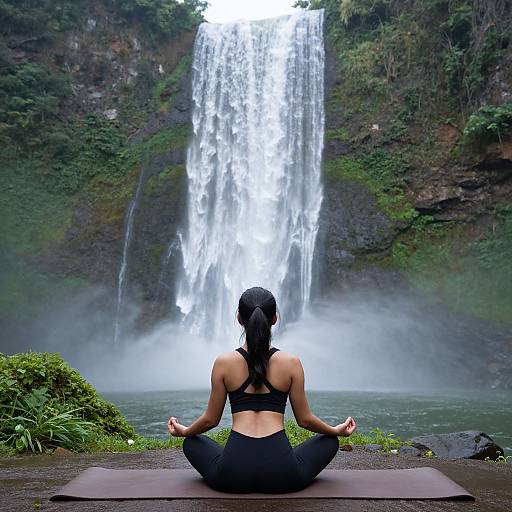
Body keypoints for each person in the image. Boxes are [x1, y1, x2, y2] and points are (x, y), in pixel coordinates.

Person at [167, 286, 356, 493]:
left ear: (239, 318)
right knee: (329, 442)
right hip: (283, 476)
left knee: (191, 443)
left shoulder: (223, 363)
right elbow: (305, 420)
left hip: (232, 475)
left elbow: (210, 420)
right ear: (274, 318)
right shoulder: (291, 362)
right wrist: (335, 430)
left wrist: (184, 431)